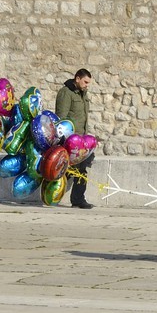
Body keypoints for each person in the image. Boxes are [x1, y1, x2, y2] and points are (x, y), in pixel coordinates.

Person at [55, 67, 96, 209]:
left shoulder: (82, 94)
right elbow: (61, 116)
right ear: (77, 79)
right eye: (85, 82)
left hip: (82, 139)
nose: (86, 85)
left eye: (88, 83)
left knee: (82, 169)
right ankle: (53, 193)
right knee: (66, 170)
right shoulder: (66, 93)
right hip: (71, 140)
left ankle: (78, 199)